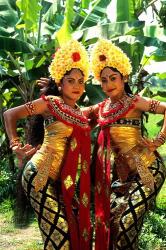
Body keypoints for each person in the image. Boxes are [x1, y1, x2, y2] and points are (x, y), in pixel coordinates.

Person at [3, 39, 92, 250]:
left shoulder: (80, 112)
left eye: (81, 81)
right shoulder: (50, 103)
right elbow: (10, 114)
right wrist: (15, 143)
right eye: (71, 81)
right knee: (59, 234)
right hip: (38, 175)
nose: (77, 86)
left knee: (67, 231)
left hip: (62, 181)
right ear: (60, 83)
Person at [89, 38, 166, 250]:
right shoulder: (101, 109)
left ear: (124, 77)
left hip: (148, 170)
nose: (108, 84)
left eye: (113, 78)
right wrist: (55, 89)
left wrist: (160, 139)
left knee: (126, 224)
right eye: (103, 80)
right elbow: (73, 116)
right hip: (121, 177)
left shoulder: (135, 102)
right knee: (114, 226)